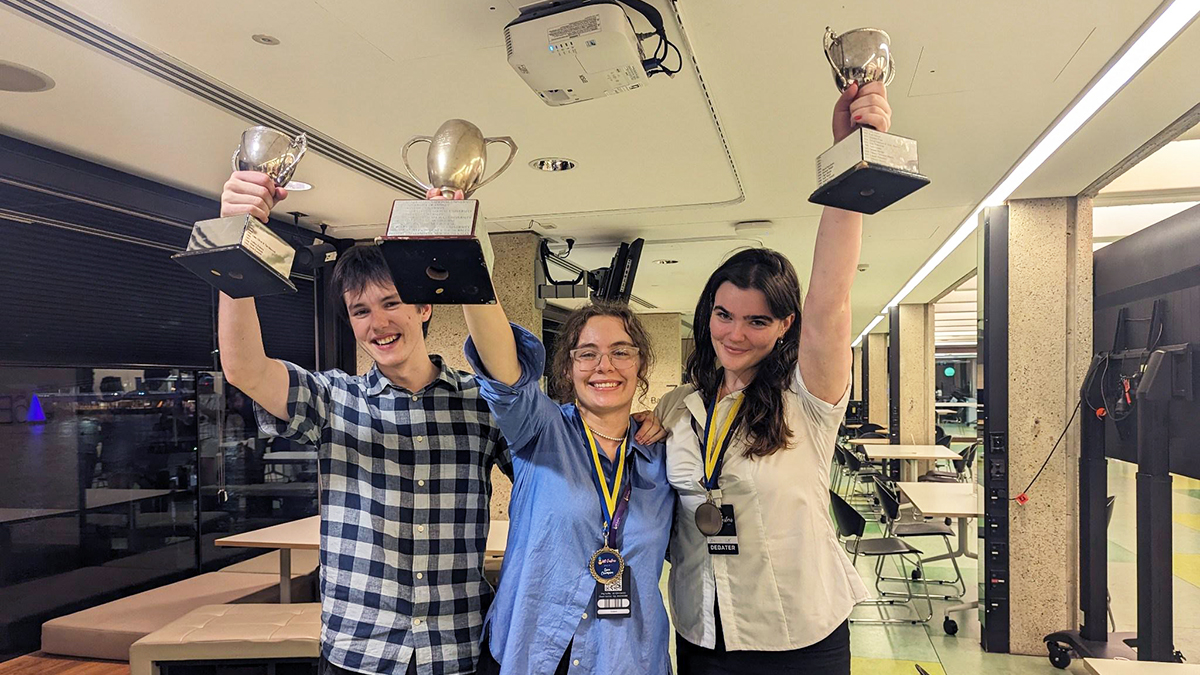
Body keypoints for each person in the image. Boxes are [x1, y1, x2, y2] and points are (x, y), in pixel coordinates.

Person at [216, 172, 512, 675]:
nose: (377, 323)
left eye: (391, 302)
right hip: (360, 651)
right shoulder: (335, 399)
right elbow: (245, 368)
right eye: (360, 310)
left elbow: (546, 451)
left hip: (456, 649)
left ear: (423, 307)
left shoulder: (478, 402)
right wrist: (234, 238)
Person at [657, 81, 891, 674]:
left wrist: (852, 155)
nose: (735, 334)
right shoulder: (679, 408)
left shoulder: (807, 400)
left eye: (757, 320)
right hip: (703, 632)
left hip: (798, 635)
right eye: (723, 314)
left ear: (786, 325)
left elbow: (832, 300)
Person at [450, 200, 672, 674]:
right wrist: (463, 241)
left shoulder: (661, 454)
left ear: (641, 366)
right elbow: (501, 367)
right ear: (568, 368)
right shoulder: (541, 430)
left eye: (620, 351)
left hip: (625, 658)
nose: (604, 366)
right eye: (587, 353)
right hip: (532, 651)